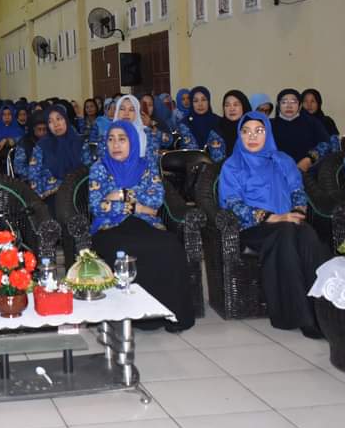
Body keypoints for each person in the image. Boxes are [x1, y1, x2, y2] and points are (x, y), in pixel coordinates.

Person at [218, 112, 329, 338]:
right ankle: (299, 317)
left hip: (287, 221)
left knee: (307, 234)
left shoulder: (283, 160)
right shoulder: (233, 165)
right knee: (286, 233)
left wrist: (298, 211)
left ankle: (324, 314)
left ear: (267, 134)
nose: (252, 136)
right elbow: (232, 202)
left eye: (259, 131)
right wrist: (270, 217)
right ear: (240, 135)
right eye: (246, 131)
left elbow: (297, 191)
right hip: (252, 227)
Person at [89, 121, 194, 331]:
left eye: (122, 139)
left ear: (133, 142)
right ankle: (135, 316)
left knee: (170, 246)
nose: (115, 144)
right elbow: (97, 206)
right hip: (109, 227)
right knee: (126, 249)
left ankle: (171, 314)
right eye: (111, 139)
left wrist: (118, 195)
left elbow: (155, 201)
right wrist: (138, 206)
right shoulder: (99, 168)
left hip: (146, 225)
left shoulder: (146, 166)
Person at [28, 105, 91, 207]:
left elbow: (88, 172)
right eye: (50, 121)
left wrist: (72, 188)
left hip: (79, 196)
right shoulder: (41, 146)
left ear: (66, 119)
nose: (56, 124)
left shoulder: (80, 143)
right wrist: (59, 187)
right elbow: (34, 176)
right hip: (51, 197)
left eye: (59, 118)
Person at [270, 88, 331, 172]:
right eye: (284, 102)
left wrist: (309, 159)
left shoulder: (312, 123)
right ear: (278, 105)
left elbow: (326, 144)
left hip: (308, 172)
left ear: (300, 106)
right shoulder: (269, 125)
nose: (289, 106)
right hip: (276, 172)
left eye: (293, 102)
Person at [206, 90, 252, 162]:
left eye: (236, 105)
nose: (231, 109)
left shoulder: (252, 129)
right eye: (227, 105)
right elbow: (216, 160)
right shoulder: (217, 131)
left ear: (244, 106)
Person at [0, 103, 24, 170]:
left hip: (15, 164)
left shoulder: (18, 130)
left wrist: (8, 140)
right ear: (1, 116)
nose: (7, 117)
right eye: (4, 114)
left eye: (9, 114)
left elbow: (22, 142)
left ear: (12, 115)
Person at [13, 111, 48, 179]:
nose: (42, 132)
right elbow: (18, 168)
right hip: (30, 178)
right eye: (39, 129)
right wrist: (36, 172)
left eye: (44, 129)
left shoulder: (50, 140)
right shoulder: (24, 142)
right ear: (33, 128)